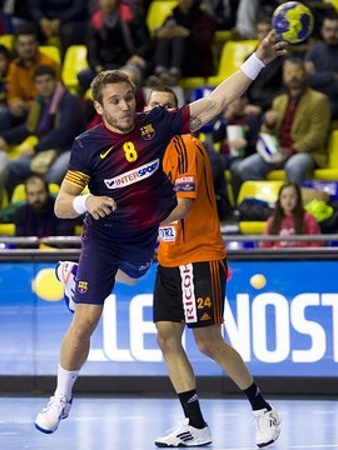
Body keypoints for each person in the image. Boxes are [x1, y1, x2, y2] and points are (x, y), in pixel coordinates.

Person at [33, 29, 285, 436]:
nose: (125, 106)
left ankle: (73, 276)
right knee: (87, 319)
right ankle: (61, 397)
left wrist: (258, 59)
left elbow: (216, 102)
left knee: (135, 281)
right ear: (98, 107)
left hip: (146, 241)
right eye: (115, 101)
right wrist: (86, 202)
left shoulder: (157, 127)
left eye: (128, 97)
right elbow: (62, 204)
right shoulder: (87, 145)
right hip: (104, 238)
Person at [143, 86, 280, 448]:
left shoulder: (186, 145)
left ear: (178, 114)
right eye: (154, 106)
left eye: (167, 107)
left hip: (199, 255)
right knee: (166, 337)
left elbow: (183, 205)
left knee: (207, 342)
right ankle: (195, 425)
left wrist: (139, 223)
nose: (159, 111)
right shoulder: (146, 153)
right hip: (169, 258)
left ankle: (263, 410)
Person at [232, 57, 331, 188]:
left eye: (297, 72)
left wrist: (292, 150)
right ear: (283, 76)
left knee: (294, 165)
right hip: (278, 152)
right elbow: (266, 133)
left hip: (305, 152)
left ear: (305, 74)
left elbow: (317, 136)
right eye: (289, 73)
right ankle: (269, 198)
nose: (293, 76)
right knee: (246, 168)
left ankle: (291, 200)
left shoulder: (319, 100)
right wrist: (269, 125)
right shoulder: (278, 101)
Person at [304, 13, 338, 119]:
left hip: (335, 103)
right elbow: (306, 81)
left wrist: (316, 78)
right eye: (328, 30)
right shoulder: (313, 51)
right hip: (310, 100)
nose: (332, 34)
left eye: (336, 30)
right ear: (322, 31)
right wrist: (330, 76)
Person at [260, 182, 323, 248]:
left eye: (292, 196)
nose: (288, 200)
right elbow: (265, 246)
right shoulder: (272, 221)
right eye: (284, 197)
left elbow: (316, 244)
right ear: (279, 200)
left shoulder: (309, 218)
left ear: (298, 199)